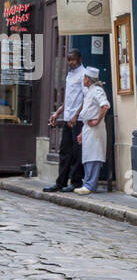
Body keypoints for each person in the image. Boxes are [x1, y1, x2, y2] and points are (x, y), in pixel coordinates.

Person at [47, 50, 86, 191]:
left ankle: (76, 182)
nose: (70, 62)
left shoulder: (84, 75)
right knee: (64, 151)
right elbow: (68, 100)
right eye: (68, 60)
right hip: (67, 118)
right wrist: (57, 113)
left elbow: (86, 98)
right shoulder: (70, 75)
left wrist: (76, 116)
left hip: (78, 120)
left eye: (73, 60)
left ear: (79, 59)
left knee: (77, 153)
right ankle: (60, 182)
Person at [74, 68, 111, 196]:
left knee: (94, 156)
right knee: (88, 156)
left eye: (84, 78)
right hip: (88, 128)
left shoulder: (97, 91)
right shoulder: (89, 91)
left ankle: (90, 185)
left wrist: (98, 121)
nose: (83, 80)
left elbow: (105, 106)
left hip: (95, 129)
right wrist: (82, 133)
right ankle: (88, 183)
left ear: (88, 80)